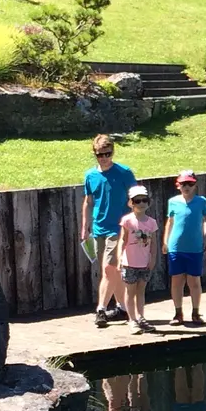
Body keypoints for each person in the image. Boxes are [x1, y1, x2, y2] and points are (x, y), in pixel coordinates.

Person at [83, 134, 136, 329]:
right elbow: (88, 202)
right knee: (111, 271)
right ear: (95, 154)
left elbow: (136, 197)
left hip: (119, 228)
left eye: (108, 153)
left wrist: (134, 222)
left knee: (109, 268)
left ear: (112, 152)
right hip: (99, 228)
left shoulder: (124, 173)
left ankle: (101, 309)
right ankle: (122, 307)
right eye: (100, 155)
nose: (104, 157)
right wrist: (84, 226)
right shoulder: (90, 176)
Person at [164, 170, 206, 326]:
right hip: (176, 247)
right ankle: (178, 313)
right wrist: (165, 242)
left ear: (195, 185)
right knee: (177, 281)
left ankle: (196, 312)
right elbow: (170, 223)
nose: (187, 187)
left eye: (190, 184)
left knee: (194, 281)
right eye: (183, 184)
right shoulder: (173, 201)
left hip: (195, 247)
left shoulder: (201, 201)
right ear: (178, 185)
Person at [118, 184, 159, 334]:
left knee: (141, 291)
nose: (141, 203)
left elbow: (154, 243)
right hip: (129, 263)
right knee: (130, 291)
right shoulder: (127, 220)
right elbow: (122, 240)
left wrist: (153, 258)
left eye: (144, 200)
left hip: (144, 263)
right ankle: (132, 319)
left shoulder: (151, 222)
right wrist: (119, 259)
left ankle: (141, 317)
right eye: (137, 201)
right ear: (131, 203)